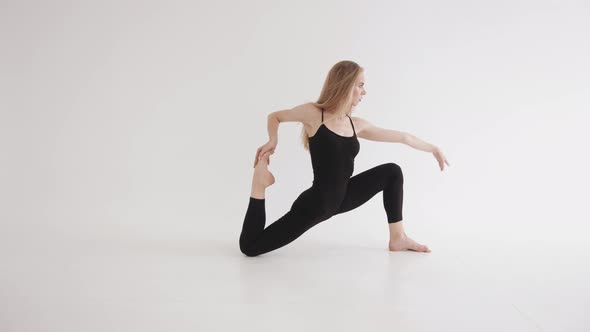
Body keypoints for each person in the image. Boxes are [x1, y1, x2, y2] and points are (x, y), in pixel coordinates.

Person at [239, 60, 450, 257]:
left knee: (392, 172)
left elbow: (404, 137)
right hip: (318, 203)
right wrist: (272, 140)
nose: (364, 91)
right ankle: (259, 185)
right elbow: (274, 116)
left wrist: (433, 148)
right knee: (251, 247)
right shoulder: (314, 114)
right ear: (345, 85)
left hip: (344, 196)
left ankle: (398, 237)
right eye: (360, 85)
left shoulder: (356, 124)